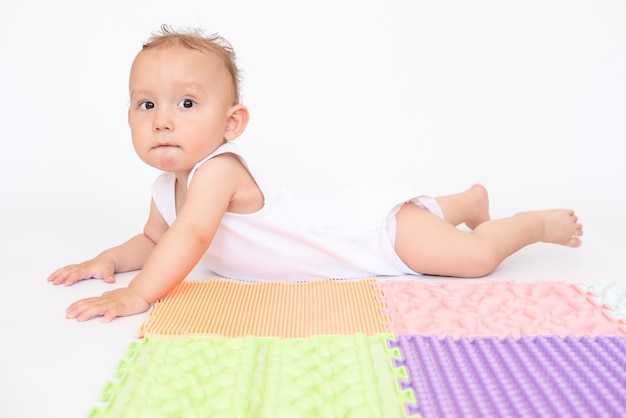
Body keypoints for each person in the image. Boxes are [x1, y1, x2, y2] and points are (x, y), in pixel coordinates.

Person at [48, 25, 583, 322]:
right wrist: (110, 261)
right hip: (349, 221)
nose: (162, 120)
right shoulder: (167, 187)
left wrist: (137, 294)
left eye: (186, 102)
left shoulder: (218, 172)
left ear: (232, 123)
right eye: (146, 105)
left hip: (375, 237)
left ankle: (533, 224)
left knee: (475, 259)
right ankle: (464, 203)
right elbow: (154, 238)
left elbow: (189, 237)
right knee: (436, 230)